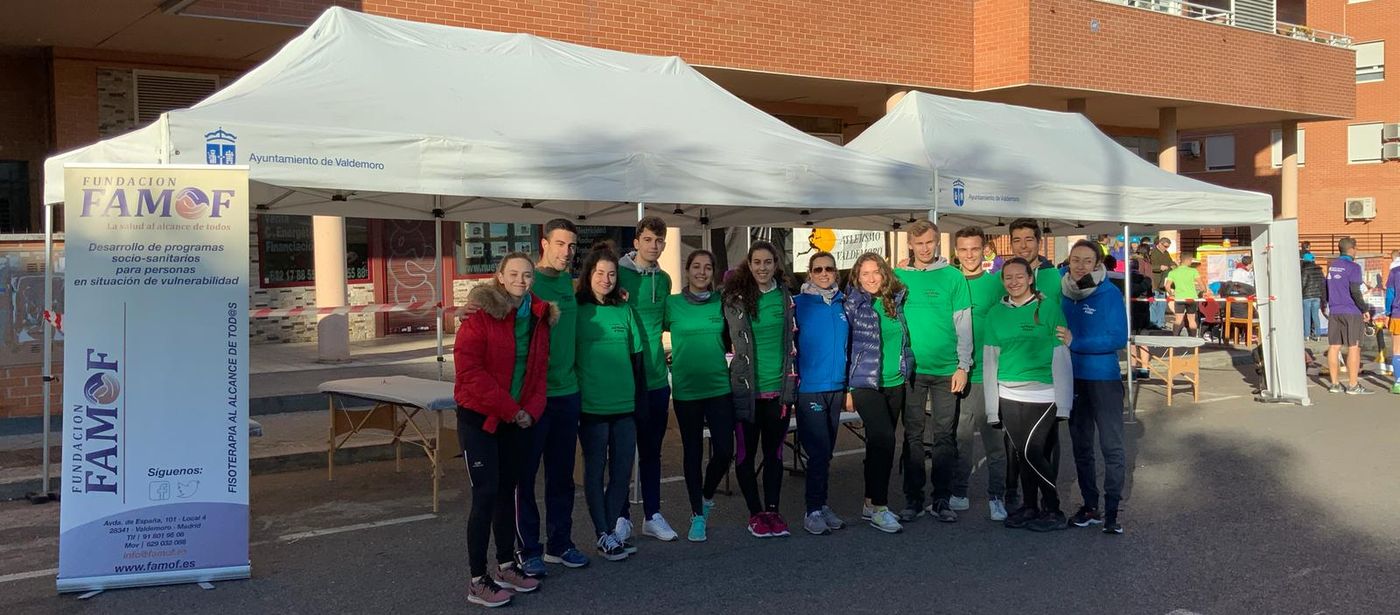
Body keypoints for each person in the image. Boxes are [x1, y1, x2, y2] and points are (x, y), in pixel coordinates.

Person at [454, 253, 555, 607]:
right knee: (484, 495)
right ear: (499, 276)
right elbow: (470, 373)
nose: (521, 280)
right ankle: (477, 579)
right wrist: (513, 411)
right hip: (480, 418)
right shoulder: (478, 316)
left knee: (506, 492)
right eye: (513, 273)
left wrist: (532, 410)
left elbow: (540, 372)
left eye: (527, 275)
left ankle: (506, 565)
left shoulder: (540, 316)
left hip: (517, 419)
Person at [514, 219, 590, 577]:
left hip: (567, 393)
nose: (567, 252)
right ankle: (528, 549)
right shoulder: (528, 283)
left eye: (572, 246)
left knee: (561, 477)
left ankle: (560, 543)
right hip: (534, 397)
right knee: (525, 477)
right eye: (560, 244)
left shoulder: (571, 284)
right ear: (544, 243)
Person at [983, 257, 1074, 533]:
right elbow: (990, 362)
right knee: (1023, 455)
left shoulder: (1049, 309)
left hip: (1043, 394)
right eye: (1008, 277)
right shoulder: (995, 315)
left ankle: (1054, 509)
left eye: (1019, 277)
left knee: (1031, 451)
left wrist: (1064, 404)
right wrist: (991, 407)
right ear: (1002, 281)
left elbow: (1061, 357)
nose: (1013, 282)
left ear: (1030, 278)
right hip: (1008, 394)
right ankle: (1031, 506)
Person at [895, 220, 972, 524]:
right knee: (912, 436)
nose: (924, 249)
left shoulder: (953, 277)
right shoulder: (898, 276)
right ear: (910, 246)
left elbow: (963, 324)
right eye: (919, 244)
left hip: (946, 370)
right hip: (912, 370)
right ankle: (913, 498)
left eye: (929, 242)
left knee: (944, 436)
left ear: (937, 242)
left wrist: (963, 366)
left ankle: (941, 498)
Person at [574, 247, 646, 561]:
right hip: (591, 408)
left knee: (621, 473)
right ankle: (602, 533)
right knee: (594, 472)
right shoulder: (577, 310)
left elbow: (637, 358)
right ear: (589, 274)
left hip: (624, 407)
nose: (606, 279)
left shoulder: (624, 310)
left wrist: (639, 401)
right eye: (600, 273)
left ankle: (612, 532)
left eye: (612, 274)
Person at [722, 241, 798, 538]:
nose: (762, 268)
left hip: (778, 392)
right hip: (745, 391)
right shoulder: (733, 299)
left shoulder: (785, 297)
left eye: (768, 262)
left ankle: (773, 510)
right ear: (749, 264)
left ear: (775, 264)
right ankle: (755, 513)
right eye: (757, 262)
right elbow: (719, 335)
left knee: (775, 455)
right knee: (745, 455)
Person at [664, 249, 734, 542]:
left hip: (719, 387)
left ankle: (706, 495)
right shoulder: (672, 304)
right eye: (696, 267)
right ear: (688, 270)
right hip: (686, 390)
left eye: (707, 267)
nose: (701, 272)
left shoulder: (723, 303)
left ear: (714, 272)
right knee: (692, 453)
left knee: (724, 451)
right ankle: (696, 515)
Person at [616, 216, 677, 542]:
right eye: (649, 239)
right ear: (637, 240)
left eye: (660, 241)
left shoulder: (665, 279)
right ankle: (621, 516)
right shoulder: (616, 274)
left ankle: (652, 514)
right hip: (624, 377)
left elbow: (668, 320)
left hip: (655, 376)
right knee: (624, 451)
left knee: (652, 451)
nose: (654, 246)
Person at [1061, 240, 1128, 535]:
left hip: (1104, 380)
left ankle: (1112, 510)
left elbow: (1117, 339)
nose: (1080, 266)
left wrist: (1077, 342)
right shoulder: (1063, 292)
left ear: (1098, 264)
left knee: (1111, 446)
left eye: (1087, 261)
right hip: (1073, 378)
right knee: (1081, 446)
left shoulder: (1109, 293)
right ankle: (1090, 506)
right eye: (1076, 260)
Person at [846, 252, 914, 533]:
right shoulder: (851, 305)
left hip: (895, 382)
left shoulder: (895, 302)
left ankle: (869, 502)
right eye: (865, 274)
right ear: (857, 277)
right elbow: (844, 346)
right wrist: (848, 388)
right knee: (884, 439)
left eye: (876, 272)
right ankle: (880, 508)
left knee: (878, 445)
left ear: (884, 274)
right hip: (864, 383)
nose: (871, 278)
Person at [951, 227, 1011, 522]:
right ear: (956, 251)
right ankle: (959, 491)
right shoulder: (951, 281)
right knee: (961, 439)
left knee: (994, 442)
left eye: (974, 248)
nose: (969, 255)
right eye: (963, 249)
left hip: (990, 376)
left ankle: (996, 497)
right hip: (960, 375)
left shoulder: (996, 285)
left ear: (985, 250)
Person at [792, 251, 850, 536]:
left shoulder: (844, 303)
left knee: (826, 453)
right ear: (809, 273)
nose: (824, 273)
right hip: (810, 390)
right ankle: (812, 509)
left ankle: (822, 503)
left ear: (836, 273)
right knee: (816, 452)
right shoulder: (798, 304)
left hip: (837, 387)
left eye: (829, 269)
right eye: (818, 270)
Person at [1326, 238, 1374, 395]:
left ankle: (1334, 384)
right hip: (1351, 311)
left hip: (1335, 310)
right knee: (1354, 347)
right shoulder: (1353, 267)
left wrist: (1325, 303)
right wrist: (1364, 308)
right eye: (1356, 248)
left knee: (1334, 346)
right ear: (1352, 249)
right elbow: (1355, 290)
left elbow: (1325, 287)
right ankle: (1353, 385)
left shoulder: (1333, 266)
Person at [1164, 259, 1206, 337]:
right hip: (1192, 298)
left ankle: (1174, 339)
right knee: (1192, 319)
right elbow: (1203, 287)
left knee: (1178, 319)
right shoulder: (1193, 271)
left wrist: (1171, 294)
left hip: (1179, 298)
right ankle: (1193, 340)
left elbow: (1167, 286)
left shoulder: (1173, 272)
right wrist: (1202, 292)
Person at [1148, 237, 1178, 329]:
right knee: (1154, 304)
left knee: (1162, 304)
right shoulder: (1152, 253)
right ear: (1160, 244)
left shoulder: (1166, 253)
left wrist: (1174, 265)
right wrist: (1159, 267)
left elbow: (1170, 262)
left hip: (1163, 283)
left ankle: (1160, 323)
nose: (1166, 248)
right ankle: (1153, 323)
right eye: (1165, 246)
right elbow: (1149, 266)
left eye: (1168, 247)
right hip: (1155, 282)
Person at [1301, 253, 1326, 342]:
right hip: (1317, 296)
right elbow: (1323, 284)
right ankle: (1318, 335)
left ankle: (1307, 335)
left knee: (1306, 316)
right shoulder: (1319, 270)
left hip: (1306, 296)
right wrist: (1323, 297)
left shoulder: (1305, 270)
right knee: (1315, 316)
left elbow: (1303, 283)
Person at [1385, 257, 1400, 394]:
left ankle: (1398, 382)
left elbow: (1390, 294)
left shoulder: (1395, 272)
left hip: (1397, 314)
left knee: (1397, 349)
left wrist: (1388, 312)